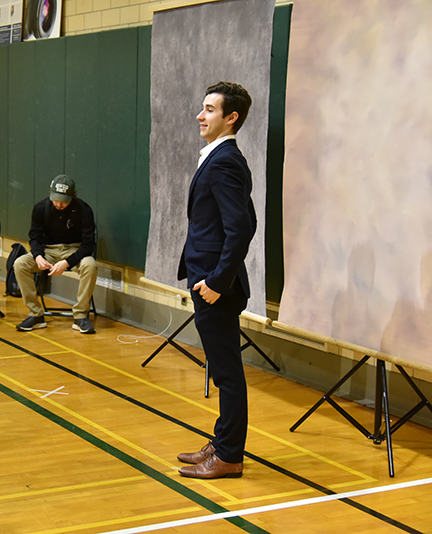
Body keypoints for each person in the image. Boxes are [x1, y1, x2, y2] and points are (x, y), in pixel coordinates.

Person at [176, 82, 256, 479]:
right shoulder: (223, 158)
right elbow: (248, 220)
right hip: (210, 282)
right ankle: (222, 441)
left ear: (231, 117)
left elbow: (240, 229)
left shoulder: (225, 160)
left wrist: (217, 282)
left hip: (214, 288)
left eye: (209, 109)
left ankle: (228, 456)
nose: (200, 115)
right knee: (223, 369)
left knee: (226, 372)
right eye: (202, 107)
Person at [14, 174, 98, 334]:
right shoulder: (41, 208)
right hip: (47, 251)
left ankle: (80, 316)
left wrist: (67, 262)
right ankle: (36, 314)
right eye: (56, 199)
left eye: (63, 200)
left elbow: (89, 245)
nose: (59, 204)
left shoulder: (84, 210)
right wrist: (38, 256)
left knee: (91, 265)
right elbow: (34, 238)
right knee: (20, 264)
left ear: (73, 196)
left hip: (74, 250)